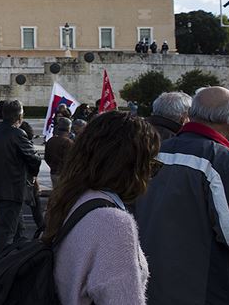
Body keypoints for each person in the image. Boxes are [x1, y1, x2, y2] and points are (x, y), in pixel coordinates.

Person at [134, 86, 229, 304]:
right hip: (206, 290)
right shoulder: (225, 162)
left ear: (191, 115)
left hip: (149, 286)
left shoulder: (154, 154)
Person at [44, 111, 159, 305]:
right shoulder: (114, 223)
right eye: (151, 165)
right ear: (131, 167)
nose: (151, 174)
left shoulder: (72, 198)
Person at [0, 99, 41, 265]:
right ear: (20, 116)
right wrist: (32, 172)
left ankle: (19, 262)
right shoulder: (16, 134)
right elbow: (33, 158)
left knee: (18, 229)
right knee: (6, 232)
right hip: (13, 188)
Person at [44, 117, 74, 189]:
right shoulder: (68, 143)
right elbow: (69, 160)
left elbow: (46, 157)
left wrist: (52, 166)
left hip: (53, 172)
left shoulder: (50, 141)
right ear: (69, 128)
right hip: (64, 174)